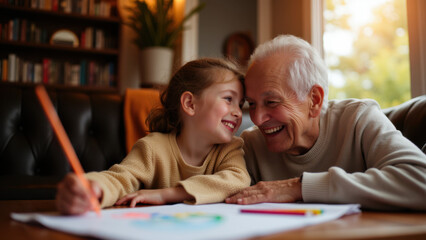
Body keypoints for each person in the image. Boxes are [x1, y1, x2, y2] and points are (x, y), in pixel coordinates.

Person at [225, 35, 426, 211]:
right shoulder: (251, 144)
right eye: (251, 104)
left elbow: (421, 180)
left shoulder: (358, 119)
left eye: (271, 102)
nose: (257, 119)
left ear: (314, 99)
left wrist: (299, 187)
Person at [56, 58, 251, 215]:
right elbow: (121, 179)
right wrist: (93, 187)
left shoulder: (231, 148)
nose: (237, 112)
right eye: (228, 99)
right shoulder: (152, 148)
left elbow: (237, 180)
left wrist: (168, 194)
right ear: (190, 104)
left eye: (240, 104)